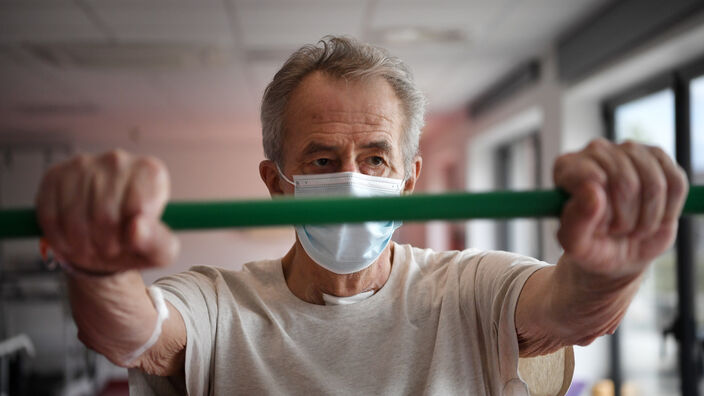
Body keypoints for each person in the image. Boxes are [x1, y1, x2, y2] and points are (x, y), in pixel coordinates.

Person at [35, 36, 688, 395]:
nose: (351, 179)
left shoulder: (469, 288)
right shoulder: (218, 302)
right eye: (321, 160)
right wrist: (97, 266)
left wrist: (614, 266)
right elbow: (132, 333)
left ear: (409, 181)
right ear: (276, 182)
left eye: (375, 159)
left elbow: (570, 308)